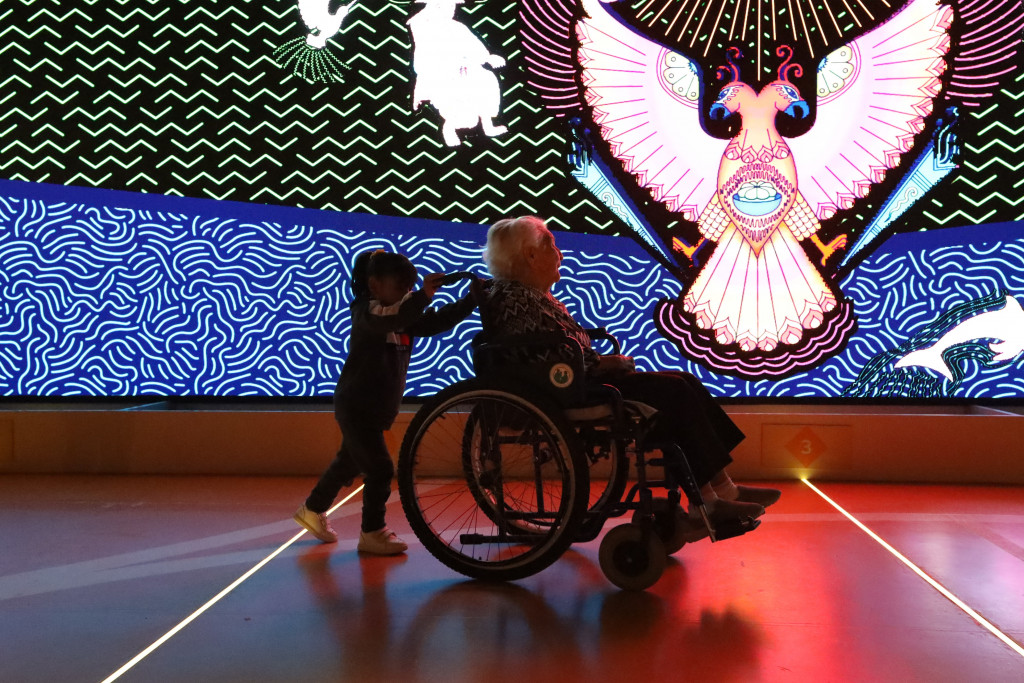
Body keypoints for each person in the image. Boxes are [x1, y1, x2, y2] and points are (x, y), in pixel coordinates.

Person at [480, 216, 781, 523]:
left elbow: (552, 350)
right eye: (551, 244)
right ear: (530, 255)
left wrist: (599, 363)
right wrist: (599, 363)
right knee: (673, 392)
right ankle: (709, 501)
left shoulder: (533, 295)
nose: (560, 253)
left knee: (684, 381)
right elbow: (543, 355)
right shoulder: (515, 297)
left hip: (580, 381)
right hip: (570, 390)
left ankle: (723, 488)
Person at [294, 249, 477, 554]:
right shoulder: (368, 312)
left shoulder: (400, 314)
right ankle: (372, 532)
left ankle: (311, 510)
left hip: (373, 410)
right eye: (399, 288)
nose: (406, 295)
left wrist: (470, 301)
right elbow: (402, 314)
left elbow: (433, 322)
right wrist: (423, 295)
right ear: (374, 284)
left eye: (408, 289)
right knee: (379, 469)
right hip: (357, 407)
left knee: (346, 463)